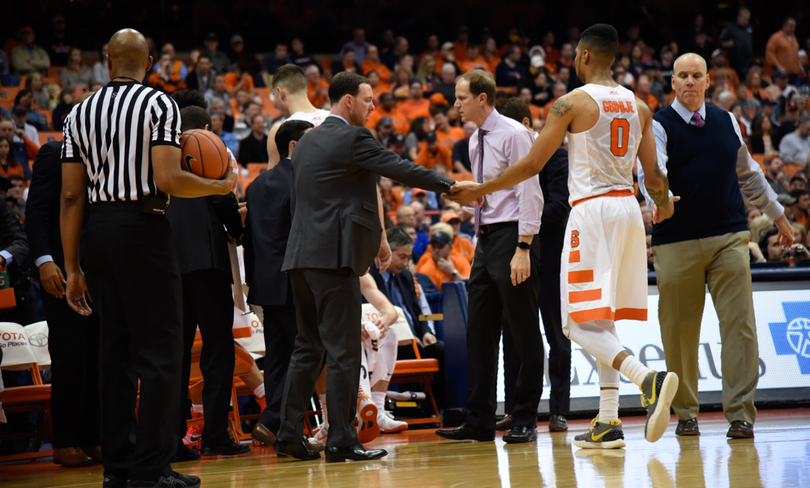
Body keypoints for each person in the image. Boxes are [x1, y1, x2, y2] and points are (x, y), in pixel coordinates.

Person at [447, 24, 680, 450]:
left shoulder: (570, 103)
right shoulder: (640, 106)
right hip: (629, 210)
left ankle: (648, 378)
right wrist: (662, 203)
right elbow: (653, 175)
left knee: (574, 323)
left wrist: (480, 189)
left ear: (585, 55)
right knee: (603, 317)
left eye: (575, 54)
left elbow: (531, 165)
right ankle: (608, 421)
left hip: (591, 212)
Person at [60, 28, 237, 488]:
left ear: (107, 60)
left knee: (113, 355)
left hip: (98, 232)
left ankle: (117, 469)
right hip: (143, 228)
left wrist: (72, 267)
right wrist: (219, 185)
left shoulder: (78, 112)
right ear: (150, 63)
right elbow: (169, 177)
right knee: (160, 354)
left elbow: (71, 196)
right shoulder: (159, 104)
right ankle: (152, 470)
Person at [273, 72, 454, 462]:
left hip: (300, 256)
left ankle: (287, 434)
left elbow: (300, 203)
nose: (373, 106)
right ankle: (341, 439)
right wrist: (450, 187)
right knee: (343, 351)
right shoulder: (354, 138)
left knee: (308, 348)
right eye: (368, 99)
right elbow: (399, 167)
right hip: (333, 257)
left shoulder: (304, 144)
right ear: (348, 101)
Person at [639, 52, 795, 439]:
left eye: (697, 75)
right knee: (679, 331)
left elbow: (750, 173)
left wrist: (778, 216)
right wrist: (661, 199)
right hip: (676, 240)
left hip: (729, 235)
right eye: (682, 76)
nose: (690, 81)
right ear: (672, 83)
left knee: (740, 326)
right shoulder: (658, 124)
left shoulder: (728, 121)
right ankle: (686, 413)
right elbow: (651, 171)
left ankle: (741, 415)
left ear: (709, 81)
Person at [435, 69, 546, 445]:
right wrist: (468, 198)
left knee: (523, 330)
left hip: (515, 237)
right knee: (479, 332)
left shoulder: (515, 133)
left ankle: (525, 417)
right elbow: (494, 196)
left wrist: (524, 247)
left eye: (461, 98)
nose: (456, 104)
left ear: (482, 98)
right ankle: (480, 419)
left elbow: (530, 193)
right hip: (484, 239)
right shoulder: (473, 140)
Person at [166, 105, 248, 457]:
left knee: (175, 355)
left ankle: (171, 441)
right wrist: (237, 230)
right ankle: (215, 435)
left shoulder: (160, 159)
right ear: (203, 128)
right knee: (218, 350)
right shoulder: (206, 152)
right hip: (207, 262)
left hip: (170, 266)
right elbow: (223, 198)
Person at [498, 97, 573, 432]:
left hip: (549, 260)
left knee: (558, 337)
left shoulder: (556, 157)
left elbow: (560, 205)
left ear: (526, 125)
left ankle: (559, 410)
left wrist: (523, 224)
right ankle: (514, 409)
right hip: (514, 258)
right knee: (514, 338)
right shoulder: (506, 159)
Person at [25, 141, 102, 467]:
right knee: (70, 354)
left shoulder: (107, 153)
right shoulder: (54, 152)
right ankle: (65, 440)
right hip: (60, 269)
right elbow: (36, 211)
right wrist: (44, 260)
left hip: (99, 271)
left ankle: (94, 437)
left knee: (99, 356)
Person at [245, 119, 314, 448]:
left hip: (265, 283)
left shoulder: (257, 184)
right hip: (296, 280)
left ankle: (284, 433)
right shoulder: (304, 180)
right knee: (310, 353)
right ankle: (274, 421)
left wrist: (253, 283)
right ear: (294, 146)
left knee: (277, 359)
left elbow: (250, 237)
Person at [265, 64, 331, 168]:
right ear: (306, 91)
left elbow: (273, 177)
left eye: (275, 95)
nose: (277, 103)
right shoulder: (334, 117)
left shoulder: (279, 130)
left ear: (281, 93)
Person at [765, 17, 802, 83]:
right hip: (781, 74)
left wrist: (799, 65)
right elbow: (770, 53)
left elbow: (796, 53)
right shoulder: (776, 38)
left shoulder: (794, 38)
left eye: (794, 27)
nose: (793, 29)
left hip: (794, 73)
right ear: (784, 26)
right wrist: (777, 65)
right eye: (791, 27)